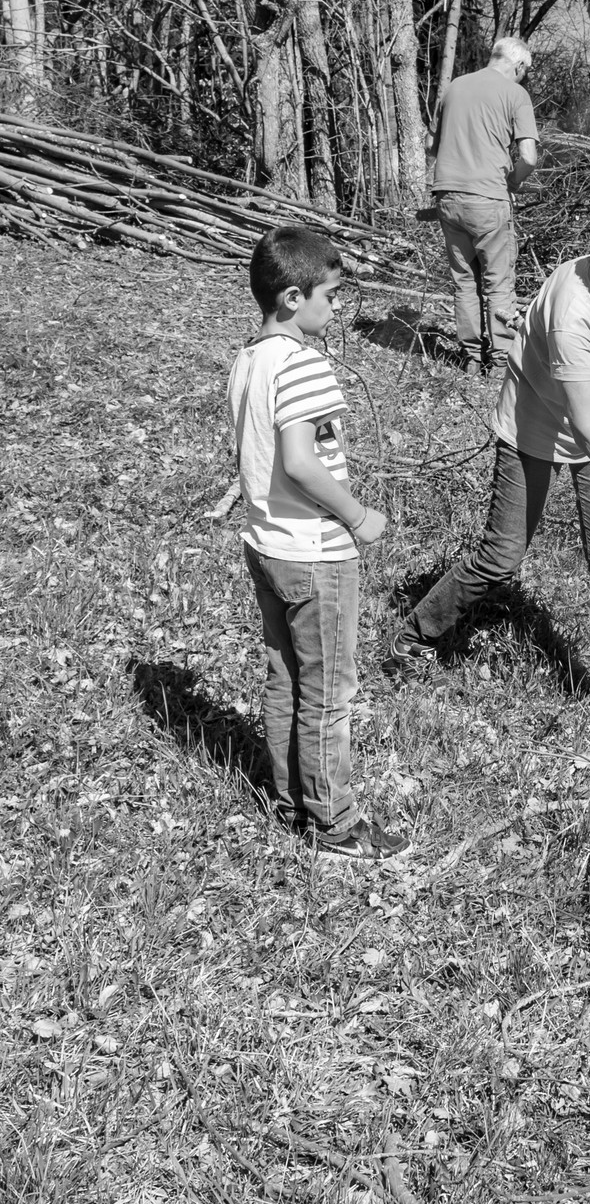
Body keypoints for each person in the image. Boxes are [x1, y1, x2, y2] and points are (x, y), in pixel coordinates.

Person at [384, 204, 590, 746]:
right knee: (501, 556)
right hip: (538, 418)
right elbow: (583, 429)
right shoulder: (572, 310)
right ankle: (415, 634)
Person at [227, 225, 407, 859]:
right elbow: (302, 462)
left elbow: (261, 451)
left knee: (286, 678)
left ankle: (289, 798)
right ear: (292, 298)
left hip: (266, 542)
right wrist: (357, 516)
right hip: (314, 551)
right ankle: (335, 823)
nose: (336, 307)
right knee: (329, 692)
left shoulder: (249, 359)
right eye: (329, 295)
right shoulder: (303, 363)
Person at [430, 35, 540, 372]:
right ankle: (501, 361)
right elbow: (529, 157)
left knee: (464, 280)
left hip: (447, 196)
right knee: (498, 282)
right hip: (489, 199)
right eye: (524, 72)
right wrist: (513, 181)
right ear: (518, 66)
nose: (523, 78)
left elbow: (434, 147)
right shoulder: (515, 94)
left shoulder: (454, 87)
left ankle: (472, 358)